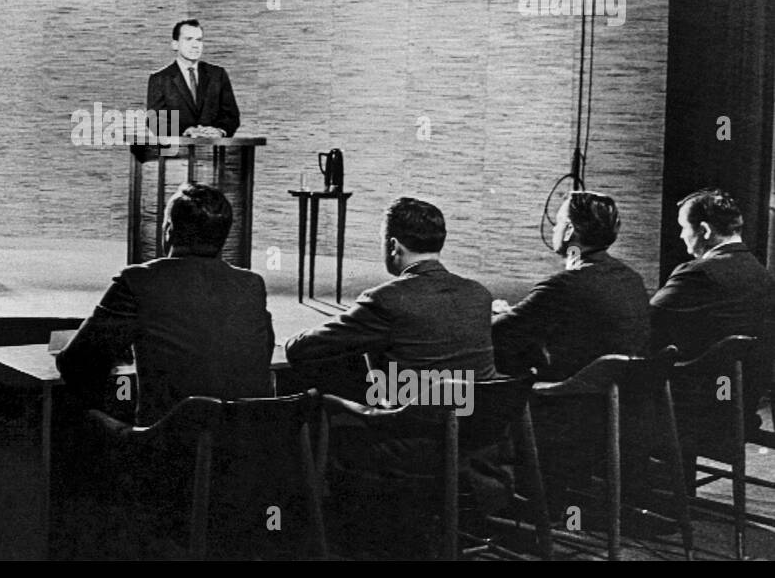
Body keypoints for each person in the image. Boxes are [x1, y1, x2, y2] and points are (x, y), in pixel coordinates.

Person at [57, 182, 273, 426]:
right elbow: (262, 352)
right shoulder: (252, 285)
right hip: (246, 447)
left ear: (168, 230)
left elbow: (76, 363)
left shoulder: (138, 280)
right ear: (223, 236)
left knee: (80, 413)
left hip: (169, 449)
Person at [285, 197, 496, 389]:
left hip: (413, 422)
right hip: (475, 419)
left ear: (393, 245)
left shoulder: (385, 300)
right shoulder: (479, 294)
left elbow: (300, 350)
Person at [493, 191, 649, 382]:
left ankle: (455, 406)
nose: (553, 229)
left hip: (563, 395)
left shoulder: (564, 286)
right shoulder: (632, 279)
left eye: (558, 223)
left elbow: (499, 332)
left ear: (569, 230)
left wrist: (494, 315)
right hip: (619, 395)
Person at [650, 188, 775, 358]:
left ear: (704, 230)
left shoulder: (697, 273)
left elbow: (647, 321)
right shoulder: (762, 274)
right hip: (742, 381)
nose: (681, 236)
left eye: (683, 227)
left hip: (700, 380)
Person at [146, 19, 240, 138]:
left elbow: (231, 115)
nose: (195, 45)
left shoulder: (218, 75)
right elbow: (155, 121)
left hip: (213, 150)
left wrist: (220, 131)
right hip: (177, 152)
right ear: (175, 45)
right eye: (188, 39)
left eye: (199, 40)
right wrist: (185, 131)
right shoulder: (160, 79)